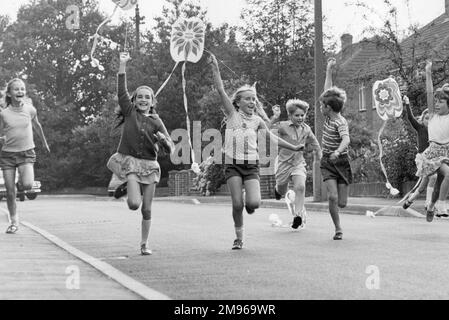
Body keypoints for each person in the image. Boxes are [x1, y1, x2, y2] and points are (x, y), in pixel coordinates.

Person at [208, 52, 304, 250]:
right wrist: (215, 67)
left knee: (254, 204)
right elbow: (220, 89)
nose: (252, 102)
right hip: (233, 164)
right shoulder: (231, 113)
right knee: (237, 205)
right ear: (238, 102)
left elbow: (272, 137)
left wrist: (294, 146)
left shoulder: (258, 121)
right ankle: (239, 238)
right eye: (247, 99)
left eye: (254, 99)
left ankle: (249, 203)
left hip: (251, 165)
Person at [107, 52, 174, 255]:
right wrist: (122, 64)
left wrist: (163, 141)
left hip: (150, 165)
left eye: (147, 97)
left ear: (152, 101)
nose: (143, 100)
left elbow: (171, 147)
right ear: (134, 101)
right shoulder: (130, 112)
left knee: (146, 208)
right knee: (134, 204)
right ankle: (128, 185)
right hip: (131, 163)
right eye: (140, 97)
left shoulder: (156, 120)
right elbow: (121, 91)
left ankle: (144, 244)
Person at [0, 78, 50, 234]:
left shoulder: (30, 110)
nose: (20, 92)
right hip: (8, 155)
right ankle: (14, 222)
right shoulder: (4, 114)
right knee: (9, 191)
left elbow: (37, 126)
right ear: (9, 93)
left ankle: (21, 180)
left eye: (22, 89)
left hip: (26, 153)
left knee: (28, 185)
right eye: (16, 89)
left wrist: (44, 142)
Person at [273, 99, 322, 229]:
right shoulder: (282, 126)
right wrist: (274, 117)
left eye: (302, 115)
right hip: (283, 163)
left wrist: (319, 153)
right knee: (282, 188)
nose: (300, 118)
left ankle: (298, 216)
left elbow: (314, 142)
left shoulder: (306, 129)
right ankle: (277, 190)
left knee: (300, 187)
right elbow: (269, 134)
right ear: (290, 116)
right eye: (297, 115)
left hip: (298, 163)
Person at [319, 58, 352, 240]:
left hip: (341, 161)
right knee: (332, 197)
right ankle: (338, 228)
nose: (320, 107)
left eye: (323, 105)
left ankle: (340, 210)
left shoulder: (340, 121)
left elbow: (346, 139)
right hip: (327, 162)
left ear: (328, 108)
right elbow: (326, 92)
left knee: (342, 203)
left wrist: (338, 152)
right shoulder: (328, 118)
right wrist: (329, 70)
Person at [417, 60, 449, 222]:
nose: (436, 104)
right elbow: (429, 93)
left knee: (439, 184)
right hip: (432, 153)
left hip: (445, 154)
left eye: (440, 102)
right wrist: (428, 73)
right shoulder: (433, 114)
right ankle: (442, 206)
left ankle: (431, 206)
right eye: (436, 101)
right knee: (448, 175)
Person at [401, 90, 438, 213]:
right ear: (422, 119)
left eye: (430, 118)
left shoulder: (435, 130)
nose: (428, 120)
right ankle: (428, 204)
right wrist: (407, 104)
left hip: (432, 158)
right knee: (433, 177)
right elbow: (411, 118)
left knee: (423, 186)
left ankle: (409, 200)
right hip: (422, 158)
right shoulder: (420, 128)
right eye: (426, 118)